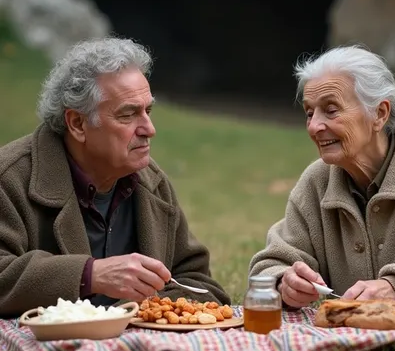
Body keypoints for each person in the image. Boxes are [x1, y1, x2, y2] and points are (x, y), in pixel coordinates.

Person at [0, 37, 230, 317]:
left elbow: (198, 282)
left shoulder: (151, 182)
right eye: (128, 115)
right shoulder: (10, 178)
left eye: (148, 111)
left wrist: (143, 311)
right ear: (77, 123)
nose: (149, 128)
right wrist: (89, 275)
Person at [249, 45, 395, 309]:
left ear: (379, 114)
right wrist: (283, 282)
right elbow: (269, 266)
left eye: (331, 110)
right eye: (309, 113)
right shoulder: (316, 181)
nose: (314, 126)